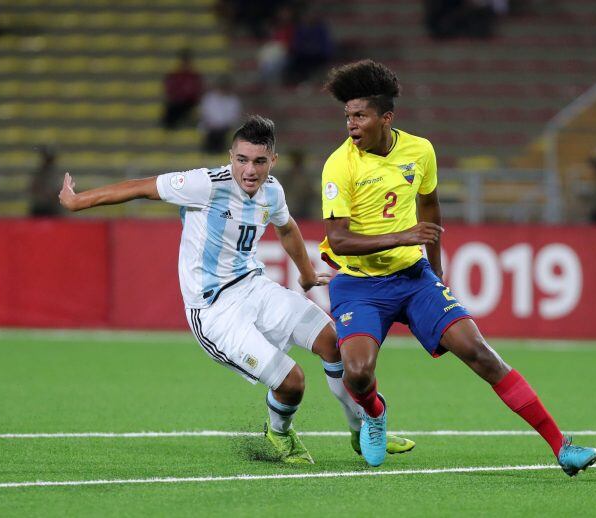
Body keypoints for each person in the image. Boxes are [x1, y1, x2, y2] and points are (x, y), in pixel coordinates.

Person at [59, 115, 414, 463]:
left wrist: (306, 275)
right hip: (214, 311)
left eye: (260, 161)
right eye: (242, 160)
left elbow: (287, 228)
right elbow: (139, 187)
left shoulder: (272, 190)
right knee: (292, 382)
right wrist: (79, 201)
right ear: (230, 157)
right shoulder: (206, 185)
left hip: (253, 287)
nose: (250, 170)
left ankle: (360, 428)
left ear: (272, 161)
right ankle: (279, 432)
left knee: (333, 342)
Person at [318, 59, 596, 475]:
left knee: (481, 354)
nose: (351, 124)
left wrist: (436, 271)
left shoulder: (420, 150)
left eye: (360, 115)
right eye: (347, 116)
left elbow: (430, 208)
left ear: (386, 117)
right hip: (360, 285)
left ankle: (562, 446)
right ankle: (374, 414)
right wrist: (402, 236)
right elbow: (339, 239)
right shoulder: (339, 164)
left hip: (414, 279)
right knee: (357, 374)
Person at [161, 49, 203, 130]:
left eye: (187, 61)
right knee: (170, 112)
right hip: (178, 102)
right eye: (184, 61)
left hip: (191, 102)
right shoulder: (174, 75)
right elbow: (169, 90)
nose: (185, 64)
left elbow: (198, 90)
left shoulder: (194, 76)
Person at [198, 76, 242, 154]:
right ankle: (209, 152)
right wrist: (212, 123)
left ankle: (217, 152)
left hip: (226, 126)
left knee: (220, 133)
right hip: (210, 126)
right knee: (210, 132)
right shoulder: (209, 98)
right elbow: (205, 113)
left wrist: (222, 124)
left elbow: (234, 117)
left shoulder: (233, 100)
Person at [29, 146, 62, 217]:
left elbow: (57, 191)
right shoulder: (40, 172)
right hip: (41, 206)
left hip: (51, 207)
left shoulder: (54, 172)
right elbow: (33, 188)